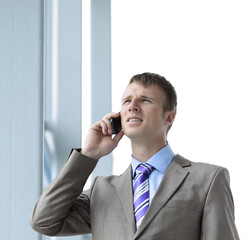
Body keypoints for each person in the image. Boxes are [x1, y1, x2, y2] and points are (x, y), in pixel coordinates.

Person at [30, 72, 240, 240]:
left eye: (145, 100)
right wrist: (88, 156)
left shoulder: (208, 179)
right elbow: (43, 221)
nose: (133, 106)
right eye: (127, 101)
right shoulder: (101, 191)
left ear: (169, 116)